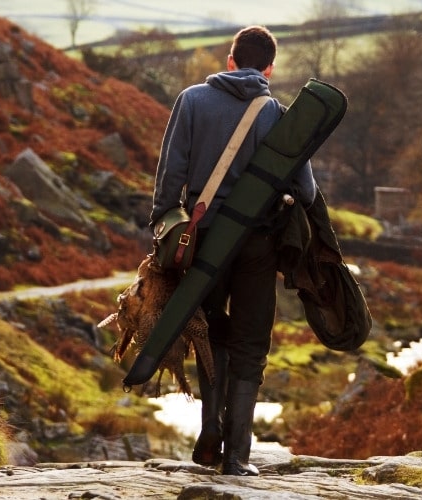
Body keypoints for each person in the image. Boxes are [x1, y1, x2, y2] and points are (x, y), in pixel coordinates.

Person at [149, 25, 316, 476]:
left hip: (203, 241)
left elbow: (170, 177)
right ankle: (237, 456)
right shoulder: (277, 114)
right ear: (269, 69)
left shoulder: (190, 101)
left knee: (209, 335)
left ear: (229, 61)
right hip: (257, 244)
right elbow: (306, 188)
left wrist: (166, 232)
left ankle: (209, 433)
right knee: (249, 344)